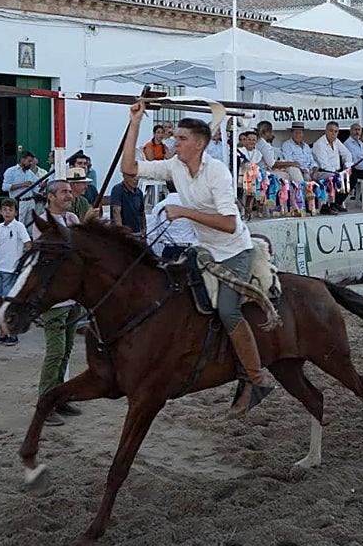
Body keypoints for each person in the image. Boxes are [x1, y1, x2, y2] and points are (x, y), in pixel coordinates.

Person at [122, 103, 274, 417]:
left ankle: (257, 379)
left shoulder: (217, 170)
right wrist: (134, 123)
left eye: (179, 139)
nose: (173, 143)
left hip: (235, 251)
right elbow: (130, 169)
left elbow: (230, 223)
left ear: (198, 144)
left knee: (228, 310)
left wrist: (184, 211)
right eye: (175, 138)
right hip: (204, 249)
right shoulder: (175, 165)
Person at [33, 180, 85, 426]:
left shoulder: (72, 218)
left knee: (65, 350)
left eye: (69, 191)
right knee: (55, 352)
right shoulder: (42, 222)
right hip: (55, 298)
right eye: (64, 192)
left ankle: (59, 397)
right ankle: (44, 405)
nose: (69, 195)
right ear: (51, 197)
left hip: (73, 295)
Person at [0, 199, 30, 345]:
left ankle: (13, 332)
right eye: (5, 209)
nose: (7, 212)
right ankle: (3, 332)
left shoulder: (19, 226)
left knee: (9, 302)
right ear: (0, 212)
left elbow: (27, 244)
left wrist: (22, 263)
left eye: (10, 210)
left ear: (16, 212)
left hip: (10, 269)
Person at [148, 181, 198, 259]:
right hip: (189, 250)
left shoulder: (159, 207)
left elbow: (152, 233)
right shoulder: (192, 206)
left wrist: (164, 238)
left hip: (169, 249)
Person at [311, 121, 353, 213]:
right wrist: (338, 173)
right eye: (331, 131)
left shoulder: (336, 141)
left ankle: (337, 203)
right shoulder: (319, 144)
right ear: (326, 131)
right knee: (334, 177)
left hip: (336, 171)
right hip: (322, 171)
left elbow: (347, 154)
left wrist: (347, 167)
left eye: (336, 131)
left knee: (352, 176)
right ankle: (327, 205)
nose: (333, 134)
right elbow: (324, 164)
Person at [3, 151, 42, 226]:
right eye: (29, 161)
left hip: (31, 201)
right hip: (20, 202)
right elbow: (5, 187)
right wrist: (22, 185)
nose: (30, 163)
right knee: (19, 224)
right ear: (22, 159)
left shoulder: (30, 173)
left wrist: (42, 186)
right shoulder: (11, 171)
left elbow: (36, 187)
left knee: (31, 225)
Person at [109, 171, 146, 236]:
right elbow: (116, 212)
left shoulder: (139, 192)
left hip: (137, 233)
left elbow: (141, 213)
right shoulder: (118, 190)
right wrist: (121, 232)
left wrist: (143, 229)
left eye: (138, 176)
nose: (136, 179)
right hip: (124, 234)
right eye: (133, 176)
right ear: (124, 176)